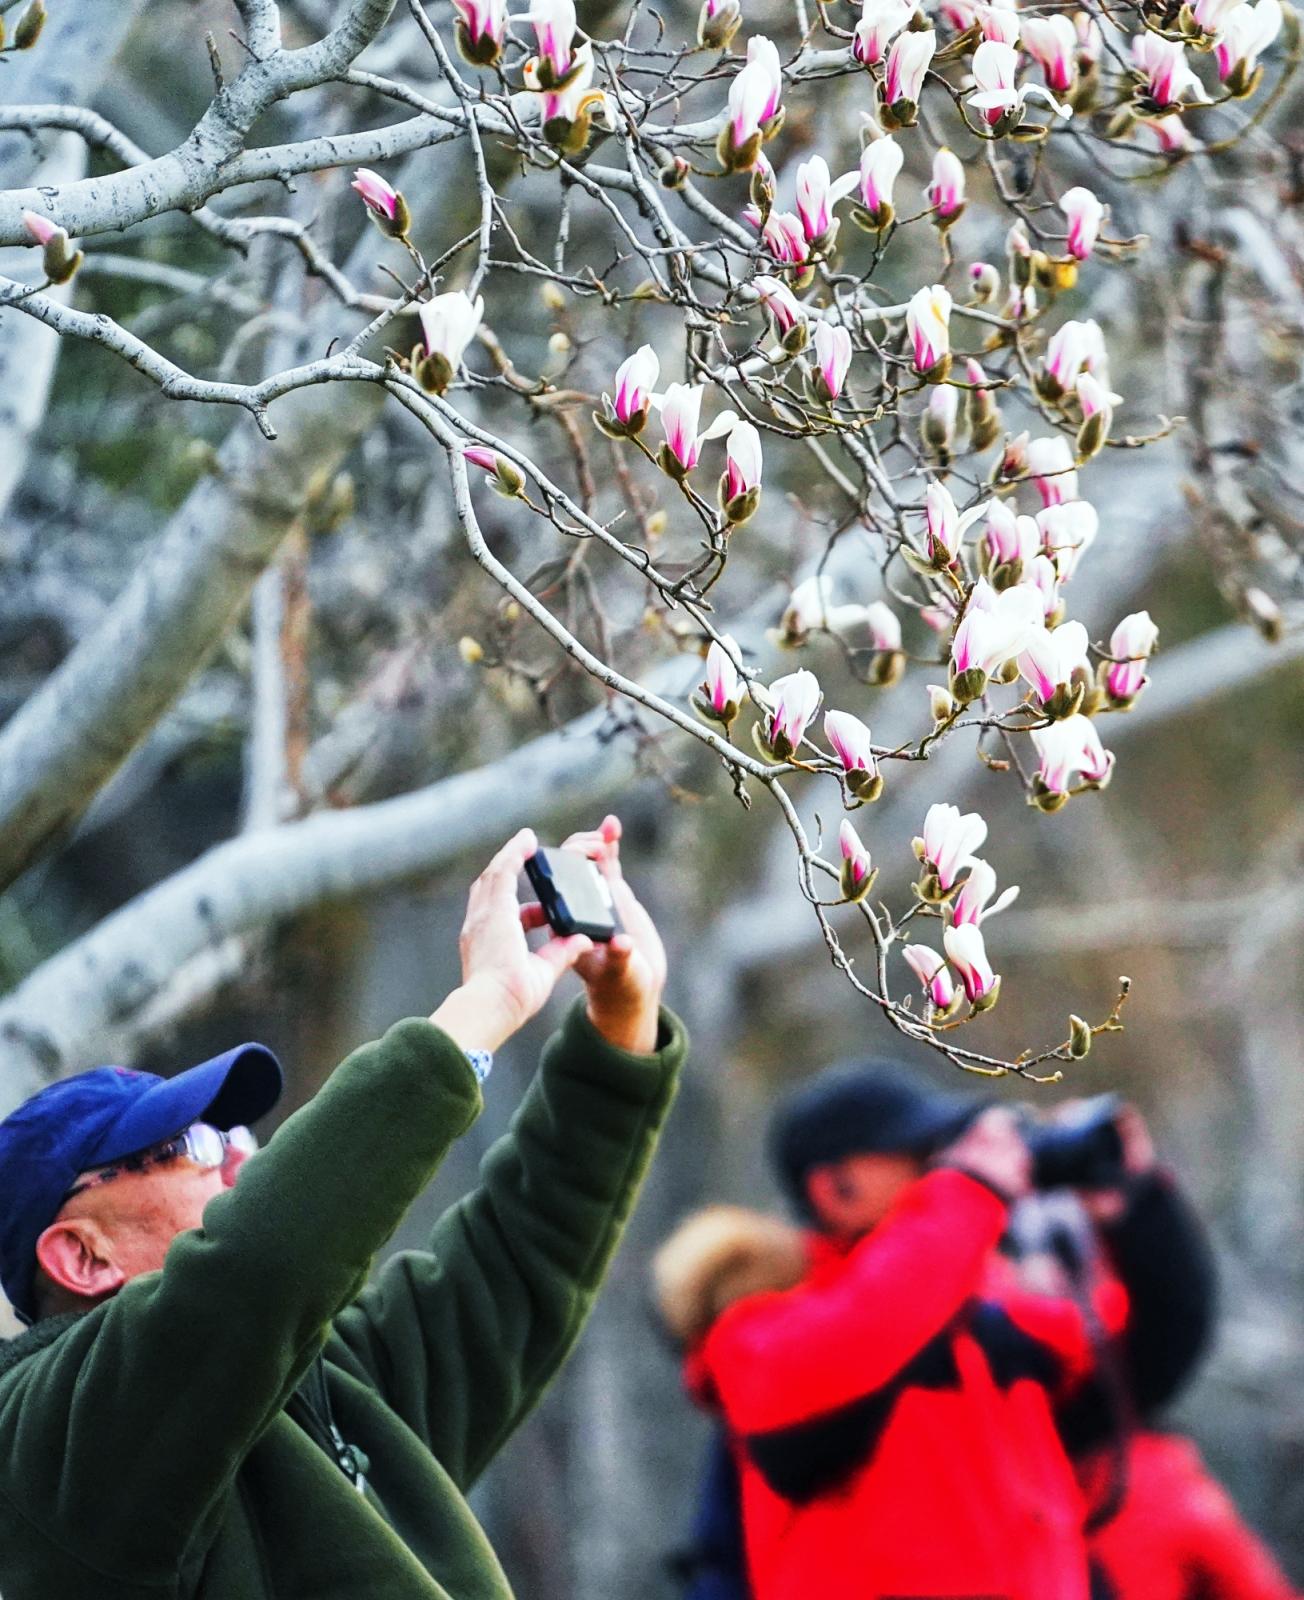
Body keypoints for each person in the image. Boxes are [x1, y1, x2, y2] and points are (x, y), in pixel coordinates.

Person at [0, 816, 685, 1600]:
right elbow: (260, 1265)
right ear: (83, 1255)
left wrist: (621, 1025)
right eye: (191, 1146)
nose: (239, 1160)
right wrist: (482, 1007)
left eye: (232, 1137)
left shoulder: (326, 1382)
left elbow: (521, 1261)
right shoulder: (49, 1446)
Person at [674, 1061, 1128, 1600]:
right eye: (921, 1152)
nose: (939, 1169)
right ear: (833, 1188)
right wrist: (969, 1193)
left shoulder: (981, 1314)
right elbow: (859, 1333)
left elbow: (1144, 1347)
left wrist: (1137, 1208)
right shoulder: (763, 1330)